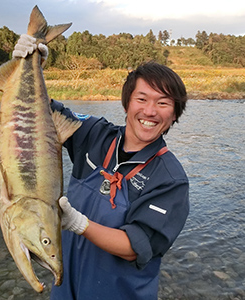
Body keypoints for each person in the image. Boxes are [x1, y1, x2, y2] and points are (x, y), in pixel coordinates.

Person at [13, 35, 189, 300]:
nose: (150, 111)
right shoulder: (95, 134)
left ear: (175, 114)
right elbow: (40, 115)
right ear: (127, 103)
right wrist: (28, 66)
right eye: (142, 99)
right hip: (65, 288)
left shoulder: (170, 180)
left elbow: (135, 246)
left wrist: (78, 223)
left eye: (163, 103)